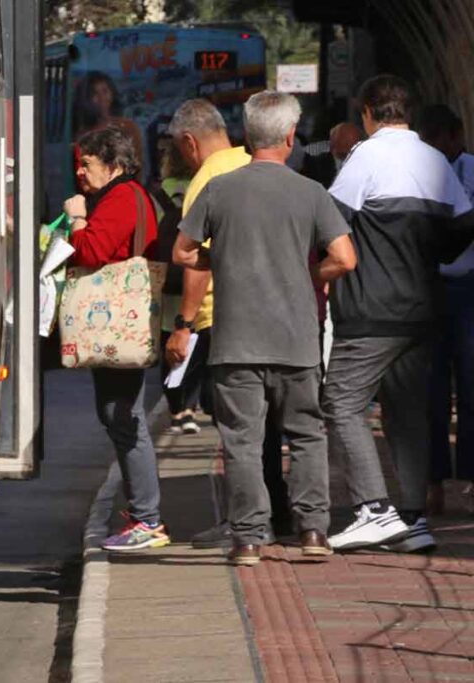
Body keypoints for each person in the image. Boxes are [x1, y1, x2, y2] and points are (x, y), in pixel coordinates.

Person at [173, 90, 357, 566]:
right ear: (292, 138)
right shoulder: (311, 192)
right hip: (296, 338)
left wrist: (225, 260)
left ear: (247, 136)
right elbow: (344, 258)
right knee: (308, 435)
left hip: (236, 341)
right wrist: (304, 274)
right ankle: (313, 531)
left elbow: (183, 252)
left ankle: (249, 539)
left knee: (242, 441)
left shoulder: (220, 189)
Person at [324, 76, 474, 553]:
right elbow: (464, 223)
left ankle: (374, 509)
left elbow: (332, 221)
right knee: (408, 414)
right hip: (424, 308)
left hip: (371, 310)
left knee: (342, 404)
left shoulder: (365, 156)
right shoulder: (433, 159)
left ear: (368, 111)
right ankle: (412, 520)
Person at [164, 99, 292, 548]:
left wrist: (183, 325)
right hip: (275, 314)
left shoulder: (206, 181)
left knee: (238, 430)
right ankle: (278, 513)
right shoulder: (253, 163)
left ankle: (247, 524)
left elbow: (197, 262)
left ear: (188, 142)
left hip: (224, 320)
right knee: (269, 428)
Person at [62, 127, 167, 552]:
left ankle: (147, 519)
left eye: (87, 164)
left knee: (126, 419)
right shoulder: (130, 196)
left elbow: (91, 251)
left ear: (116, 165)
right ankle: (144, 515)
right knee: (117, 415)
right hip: (119, 328)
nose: (80, 173)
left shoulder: (122, 197)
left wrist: (76, 217)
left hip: (116, 326)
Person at [418, 105, 474, 514]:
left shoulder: (472, 170)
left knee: (471, 387)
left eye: (443, 141)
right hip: (431, 288)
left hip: (470, 287)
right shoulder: (419, 173)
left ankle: (471, 478)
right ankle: (433, 481)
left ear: (456, 136)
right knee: (432, 391)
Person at [152, 138, 199, 434]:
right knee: (193, 341)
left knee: (168, 343)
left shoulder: (158, 196)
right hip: (195, 277)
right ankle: (190, 407)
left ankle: (175, 408)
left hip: (165, 281)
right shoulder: (202, 189)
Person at [72, 72, 147, 182]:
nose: (102, 97)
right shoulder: (81, 133)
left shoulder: (127, 127)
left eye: (105, 91)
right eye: (95, 93)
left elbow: (137, 165)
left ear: (112, 93)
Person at [302, 122, 363, 189]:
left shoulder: (363, 164)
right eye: (345, 141)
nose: (350, 146)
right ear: (332, 140)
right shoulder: (312, 155)